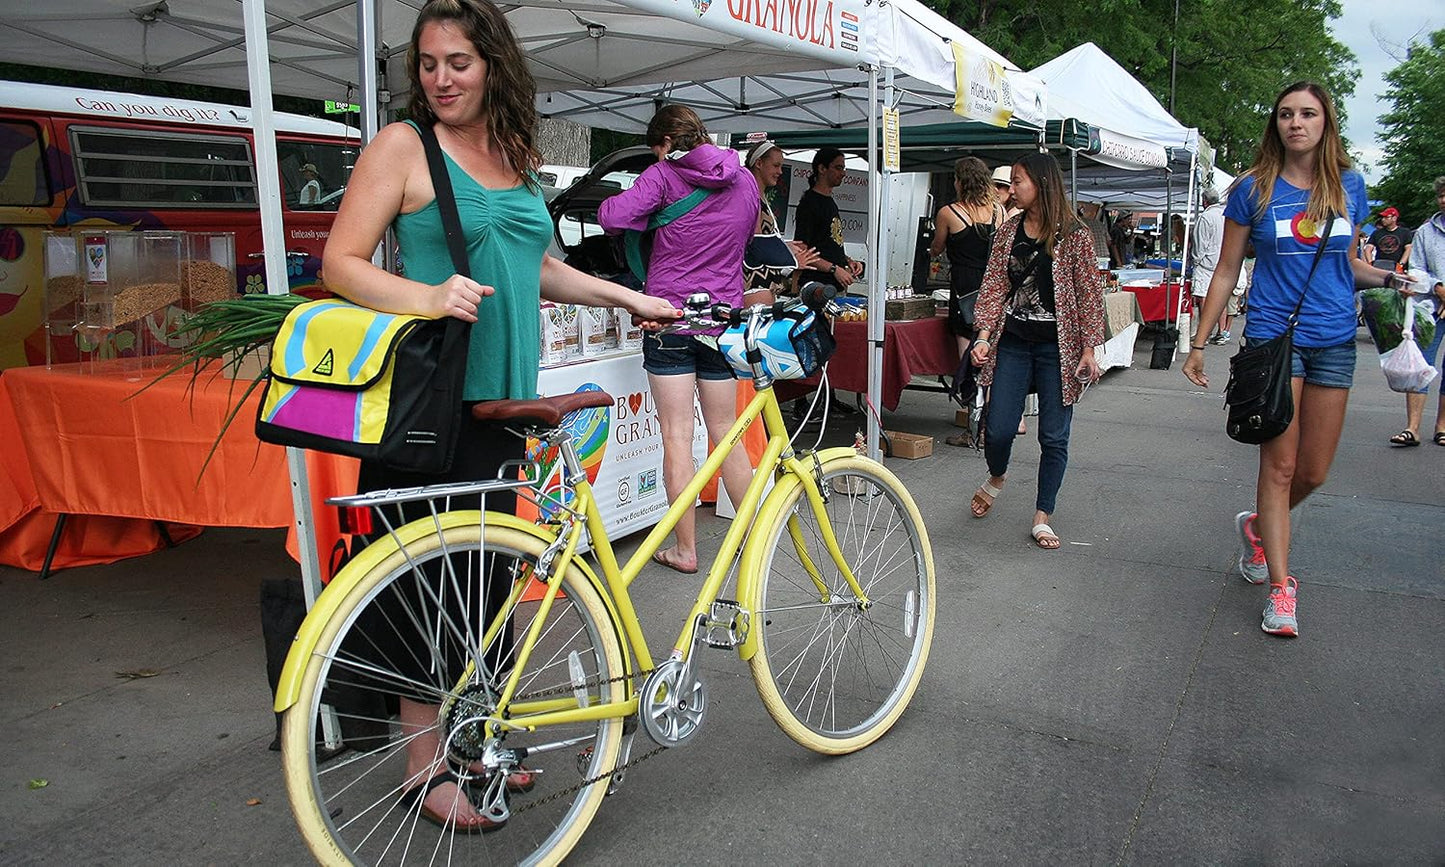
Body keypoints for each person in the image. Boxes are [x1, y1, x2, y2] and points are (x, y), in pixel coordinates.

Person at [321, 0, 679, 831]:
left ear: (493, 66)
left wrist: (627, 297)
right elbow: (339, 261)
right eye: (428, 64)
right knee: (427, 589)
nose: (440, 79)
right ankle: (422, 768)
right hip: (433, 405)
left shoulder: (513, 155)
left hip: (507, 404)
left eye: (458, 63)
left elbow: (537, 266)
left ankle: (471, 737)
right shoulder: (404, 146)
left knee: (482, 586)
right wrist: (424, 295)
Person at [1182, 81, 1405, 638]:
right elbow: (1227, 270)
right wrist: (1199, 342)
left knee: (1314, 472)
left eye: (1308, 114)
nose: (1296, 123)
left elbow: (1347, 263)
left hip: (1334, 341)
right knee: (1279, 468)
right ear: (1275, 124)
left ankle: (1258, 527)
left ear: (1326, 123)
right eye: (1286, 114)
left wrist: (1392, 280)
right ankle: (1281, 589)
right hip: (1274, 342)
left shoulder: (1350, 186)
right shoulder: (1252, 189)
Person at [598, 105, 758, 574]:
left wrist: (649, 200)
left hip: (668, 320)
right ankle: (754, 541)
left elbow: (611, 217)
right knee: (726, 432)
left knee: (676, 437)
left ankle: (686, 550)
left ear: (666, 143)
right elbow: (747, 237)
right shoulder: (745, 179)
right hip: (721, 320)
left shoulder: (663, 176)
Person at [967, 152, 1106, 549]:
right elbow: (994, 285)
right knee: (998, 428)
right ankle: (998, 474)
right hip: (1013, 342)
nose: (1011, 190)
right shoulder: (1008, 231)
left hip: (1058, 350)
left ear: (1042, 184)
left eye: (1018, 181)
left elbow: (1089, 295)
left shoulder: (1075, 235)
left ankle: (1043, 515)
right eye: (1011, 182)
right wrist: (982, 336)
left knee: (1054, 436)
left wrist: (1089, 349)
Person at [930, 157, 1003, 447]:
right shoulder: (999, 211)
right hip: (995, 287)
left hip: (964, 290)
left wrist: (936, 249)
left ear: (960, 182)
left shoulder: (949, 213)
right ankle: (991, 426)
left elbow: (937, 248)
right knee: (992, 358)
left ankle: (974, 429)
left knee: (968, 358)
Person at [1388, 175, 1445, 447]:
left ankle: (1442, 426)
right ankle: (1412, 428)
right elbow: (1417, 270)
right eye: (1441, 195)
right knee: (1419, 363)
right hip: (1430, 307)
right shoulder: (1425, 232)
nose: (1444, 200)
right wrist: (1438, 288)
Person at [742, 139, 822, 301]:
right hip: (754, 285)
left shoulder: (757, 196)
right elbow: (755, 244)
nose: (780, 172)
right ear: (759, 163)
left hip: (762, 285)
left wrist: (784, 246)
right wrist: (791, 259)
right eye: (776, 165)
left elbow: (760, 240)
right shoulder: (750, 197)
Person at [792, 147, 862, 291]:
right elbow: (801, 249)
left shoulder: (830, 202)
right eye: (838, 168)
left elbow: (827, 244)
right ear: (822, 169)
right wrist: (834, 269)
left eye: (843, 168)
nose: (843, 173)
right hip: (816, 286)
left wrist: (847, 261)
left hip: (834, 286)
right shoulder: (809, 203)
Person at [1191, 187, 1226, 342]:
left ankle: (1204, 332)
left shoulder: (1206, 217)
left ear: (1204, 201)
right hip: (1222, 262)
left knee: (1203, 297)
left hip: (1207, 263)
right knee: (1221, 296)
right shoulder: (1224, 214)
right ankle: (1222, 330)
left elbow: (1200, 244)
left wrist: (1196, 260)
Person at [1367, 206, 1412, 272]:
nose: (1383, 219)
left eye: (1386, 217)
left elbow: (1408, 249)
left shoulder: (1405, 232)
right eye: (1382, 217)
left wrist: (1401, 265)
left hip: (1396, 266)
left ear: (1394, 218)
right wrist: (1370, 263)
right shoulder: (1377, 233)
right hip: (1379, 266)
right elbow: (1368, 248)